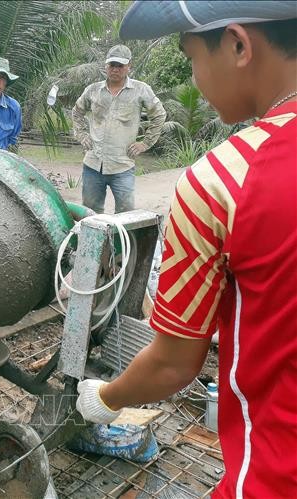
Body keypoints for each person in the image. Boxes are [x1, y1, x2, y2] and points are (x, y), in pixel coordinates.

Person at [75, 2, 297, 497]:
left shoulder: (222, 183)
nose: (195, 77)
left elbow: (174, 364)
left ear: (238, 45)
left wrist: (105, 397)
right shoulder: (93, 96)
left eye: (192, 57)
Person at [72, 45, 166, 214]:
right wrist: (81, 134)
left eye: (120, 65)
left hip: (122, 166)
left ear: (129, 66)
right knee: (90, 214)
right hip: (93, 164)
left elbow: (159, 115)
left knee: (126, 214)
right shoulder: (93, 90)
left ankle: (122, 241)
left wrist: (145, 143)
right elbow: (77, 112)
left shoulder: (140, 90)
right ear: (106, 66)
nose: (115, 69)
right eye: (112, 65)